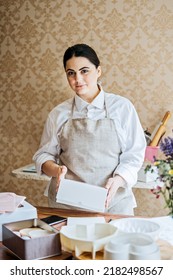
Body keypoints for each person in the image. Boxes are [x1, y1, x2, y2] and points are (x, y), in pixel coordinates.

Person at [33, 43, 146, 215]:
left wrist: (118, 180)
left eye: (84, 71)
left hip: (114, 203)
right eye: (71, 73)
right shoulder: (58, 114)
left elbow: (134, 154)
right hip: (66, 205)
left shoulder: (122, 107)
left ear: (98, 71)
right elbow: (43, 155)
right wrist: (56, 170)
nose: (77, 79)